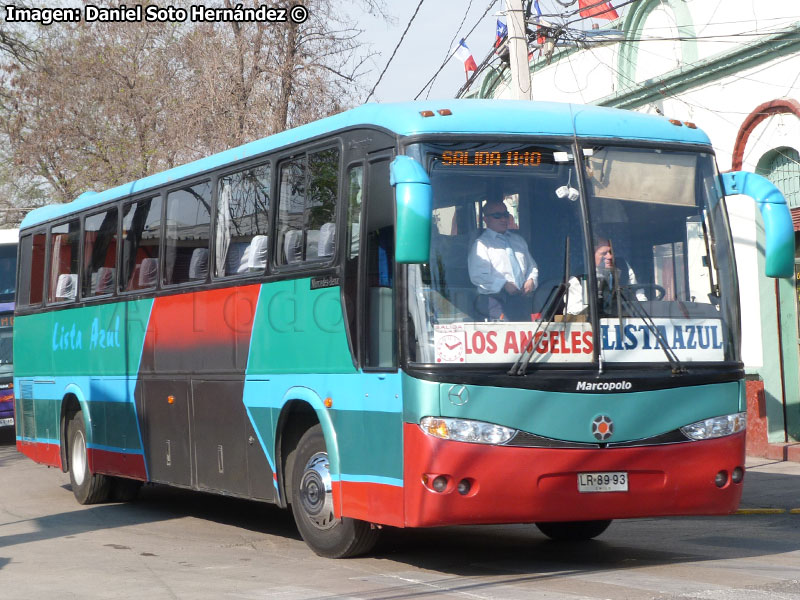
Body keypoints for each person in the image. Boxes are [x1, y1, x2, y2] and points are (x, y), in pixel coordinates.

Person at [467, 200, 538, 320]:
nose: (503, 219)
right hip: (496, 301)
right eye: (497, 216)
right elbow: (478, 276)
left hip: (522, 301)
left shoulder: (518, 241)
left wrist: (531, 280)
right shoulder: (482, 244)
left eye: (506, 215)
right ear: (486, 220)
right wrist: (503, 285)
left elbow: (532, 266)